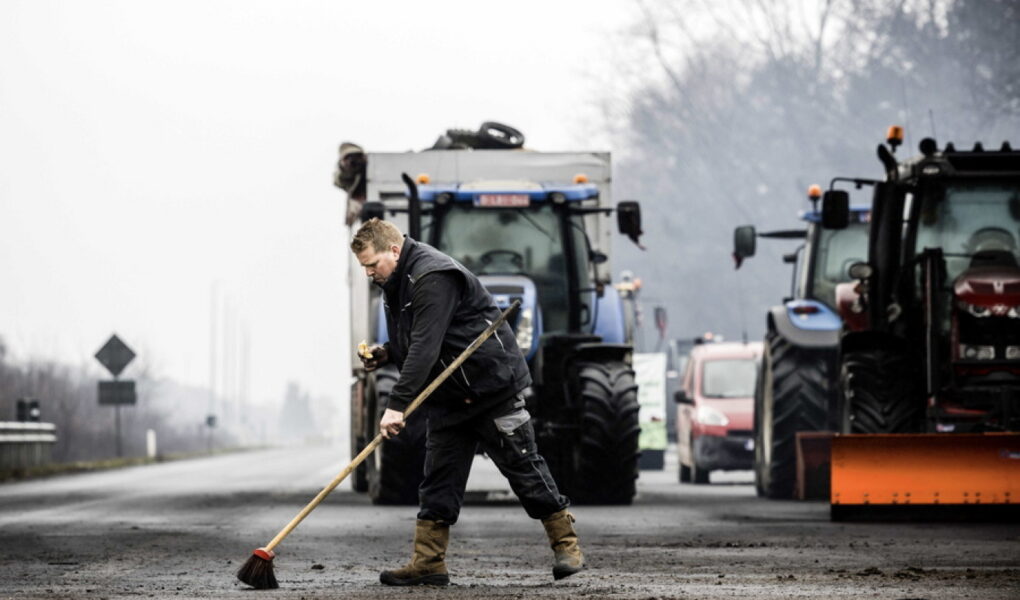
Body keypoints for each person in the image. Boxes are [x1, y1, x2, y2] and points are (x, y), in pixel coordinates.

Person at [350, 218, 584, 586]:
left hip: (491, 389)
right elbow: (416, 340)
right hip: (448, 397)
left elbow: (426, 348)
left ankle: (566, 546)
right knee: (438, 480)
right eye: (363, 267)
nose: (368, 273)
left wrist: (396, 405)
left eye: (371, 264)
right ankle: (428, 562)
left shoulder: (432, 276)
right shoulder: (394, 283)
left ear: (394, 251)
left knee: (524, 468)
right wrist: (386, 352)